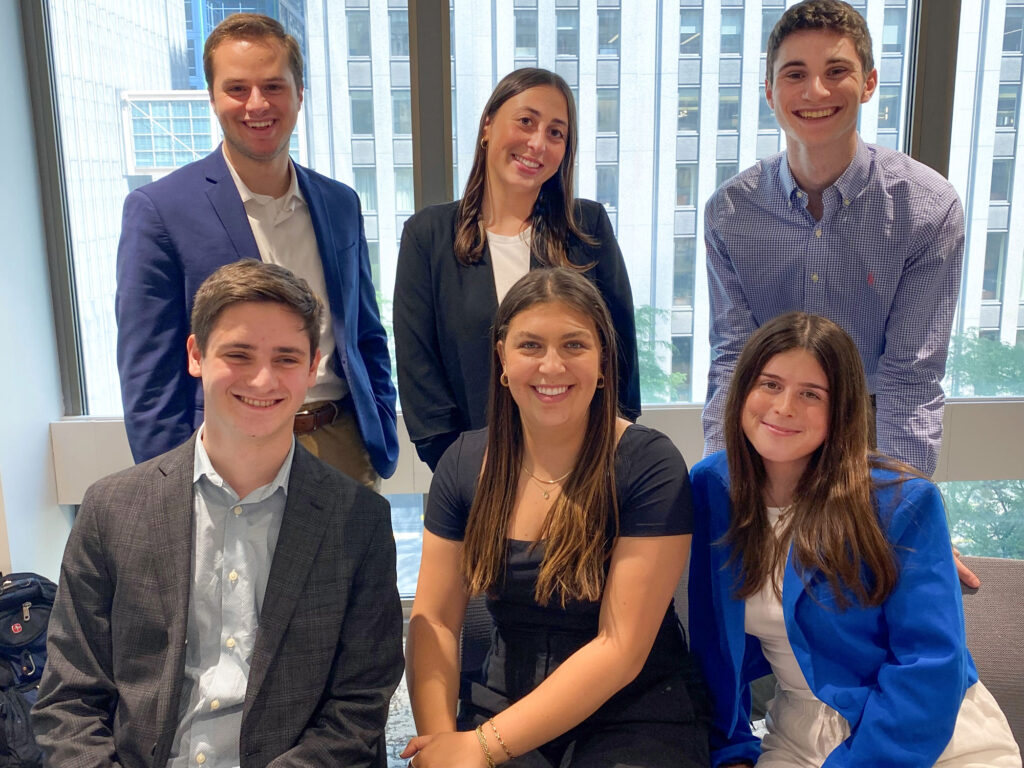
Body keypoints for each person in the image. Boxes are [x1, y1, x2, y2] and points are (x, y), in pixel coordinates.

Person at [33, 260, 404, 768]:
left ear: (313, 366)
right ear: (196, 355)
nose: (263, 378)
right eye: (238, 353)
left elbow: (360, 707)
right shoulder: (112, 510)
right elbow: (69, 702)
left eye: (287, 358)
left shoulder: (358, 521)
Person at [401, 267, 708, 768]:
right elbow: (433, 619)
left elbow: (619, 648)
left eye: (573, 345)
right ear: (501, 357)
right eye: (530, 346)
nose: (551, 366)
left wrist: (479, 747)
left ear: (603, 361)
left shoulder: (649, 463)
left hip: (633, 710)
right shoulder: (462, 463)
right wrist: (442, 745)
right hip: (503, 701)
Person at [688, 311, 1021, 768]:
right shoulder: (711, 488)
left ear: (840, 409)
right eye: (769, 384)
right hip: (797, 734)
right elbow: (713, 649)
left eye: (810, 394)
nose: (784, 407)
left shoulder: (901, 502)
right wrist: (732, 752)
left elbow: (930, 666)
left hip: (927, 734)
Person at [116, 12, 397, 486]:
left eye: (273, 86)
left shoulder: (339, 202)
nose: (256, 104)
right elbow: (149, 378)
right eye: (237, 88)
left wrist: (380, 420)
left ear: (299, 94)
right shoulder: (159, 210)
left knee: (348, 563)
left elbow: (365, 332)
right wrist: (170, 485)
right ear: (211, 97)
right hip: (226, 457)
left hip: (342, 444)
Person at [702, 0, 964, 481]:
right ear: (769, 90)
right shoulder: (731, 212)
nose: (815, 90)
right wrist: (720, 483)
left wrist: (907, 507)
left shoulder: (927, 207)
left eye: (836, 70)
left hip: (869, 426)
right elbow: (733, 360)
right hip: (767, 423)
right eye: (795, 74)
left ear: (868, 83)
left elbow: (912, 376)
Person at [394, 67, 640, 472]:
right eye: (526, 122)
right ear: (488, 125)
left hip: (584, 471)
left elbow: (620, 357)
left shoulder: (588, 227)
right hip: (471, 471)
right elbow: (419, 371)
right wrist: (463, 468)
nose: (538, 143)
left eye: (556, 133)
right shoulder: (429, 236)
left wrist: (601, 458)